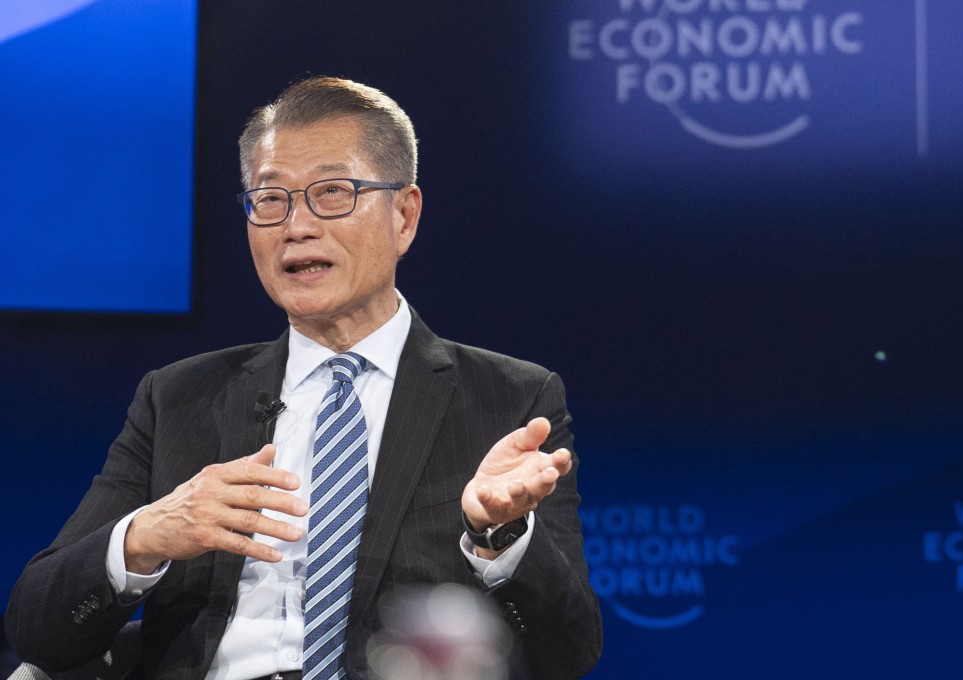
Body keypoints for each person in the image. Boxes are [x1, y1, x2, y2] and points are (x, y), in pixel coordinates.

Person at [5, 76, 602, 680]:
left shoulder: (508, 399)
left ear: (404, 214)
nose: (296, 225)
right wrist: (148, 535)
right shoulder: (179, 398)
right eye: (270, 199)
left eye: (332, 193)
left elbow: (567, 652)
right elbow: (37, 628)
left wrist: (499, 537)